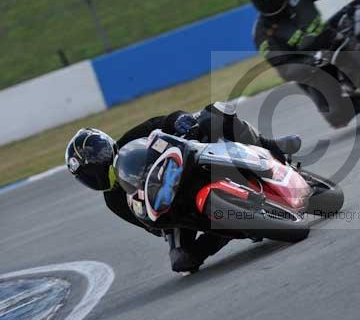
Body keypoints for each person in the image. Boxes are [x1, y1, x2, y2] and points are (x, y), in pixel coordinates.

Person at [65, 102, 301, 273]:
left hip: (186, 162)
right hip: (170, 204)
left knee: (215, 114)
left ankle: (271, 147)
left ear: (106, 147)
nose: (96, 172)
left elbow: (162, 122)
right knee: (182, 260)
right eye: (88, 174)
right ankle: (238, 225)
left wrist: (181, 120)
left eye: (97, 158)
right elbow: (151, 226)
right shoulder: (113, 201)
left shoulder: (129, 140)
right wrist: (158, 219)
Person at [249, 0, 360, 128]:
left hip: (330, 37)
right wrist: (310, 61)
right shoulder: (262, 32)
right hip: (312, 64)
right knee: (336, 116)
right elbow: (283, 67)